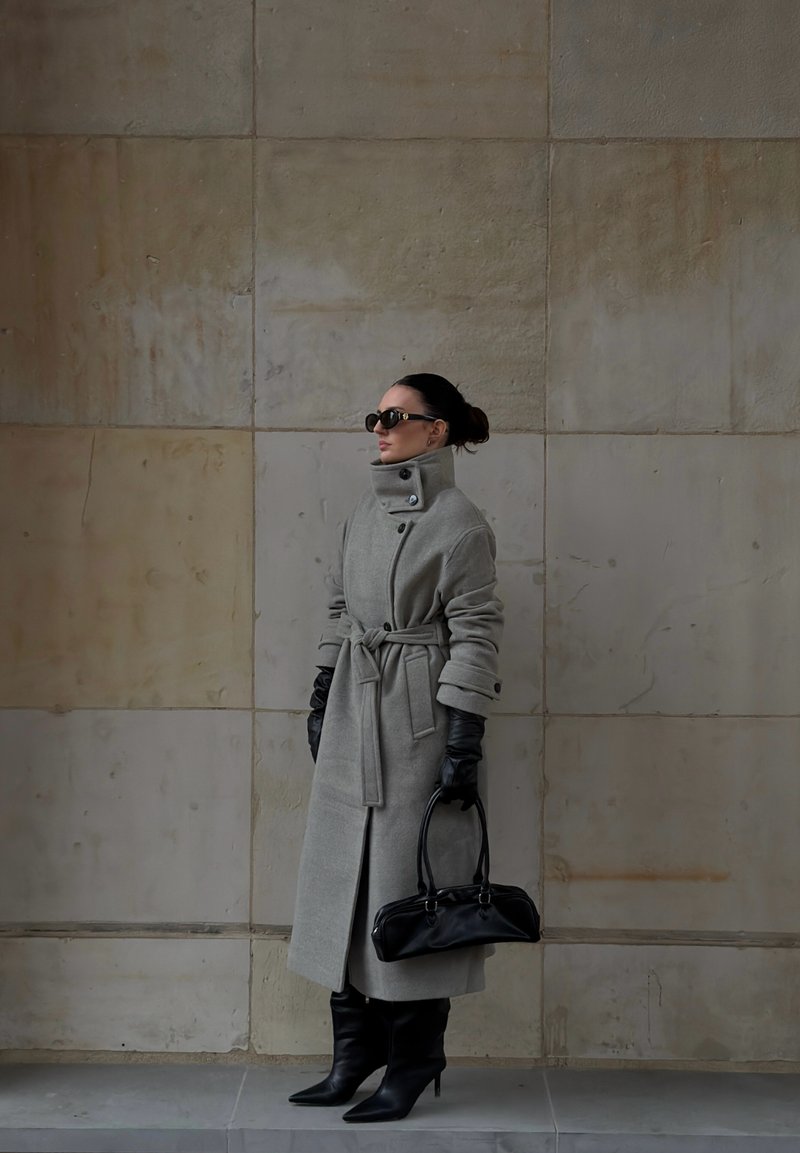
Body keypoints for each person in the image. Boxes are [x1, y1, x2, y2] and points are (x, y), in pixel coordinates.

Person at [287, 372, 503, 1123]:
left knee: (406, 890)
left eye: (395, 416)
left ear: (435, 430)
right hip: (356, 709)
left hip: (417, 724)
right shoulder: (364, 512)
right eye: (374, 416)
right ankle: (354, 1053)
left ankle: (413, 1059)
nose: (379, 427)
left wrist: (464, 735)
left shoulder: (460, 522)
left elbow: (477, 629)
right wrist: (324, 690)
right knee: (344, 889)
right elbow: (339, 606)